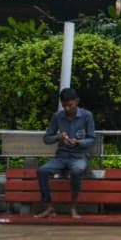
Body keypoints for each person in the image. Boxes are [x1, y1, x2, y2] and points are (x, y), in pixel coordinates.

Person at [35, 87, 96, 219]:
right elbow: (47, 138)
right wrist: (58, 137)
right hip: (61, 156)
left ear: (77, 101)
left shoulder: (87, 116)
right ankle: (49, 207)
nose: (67, 108)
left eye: (70, 105)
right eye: (64, 106)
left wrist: (78, 142)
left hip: (79, 156)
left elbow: (92, 139)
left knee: (77, 170)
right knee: (42, 171)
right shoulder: (57, 117)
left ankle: (73, 207)